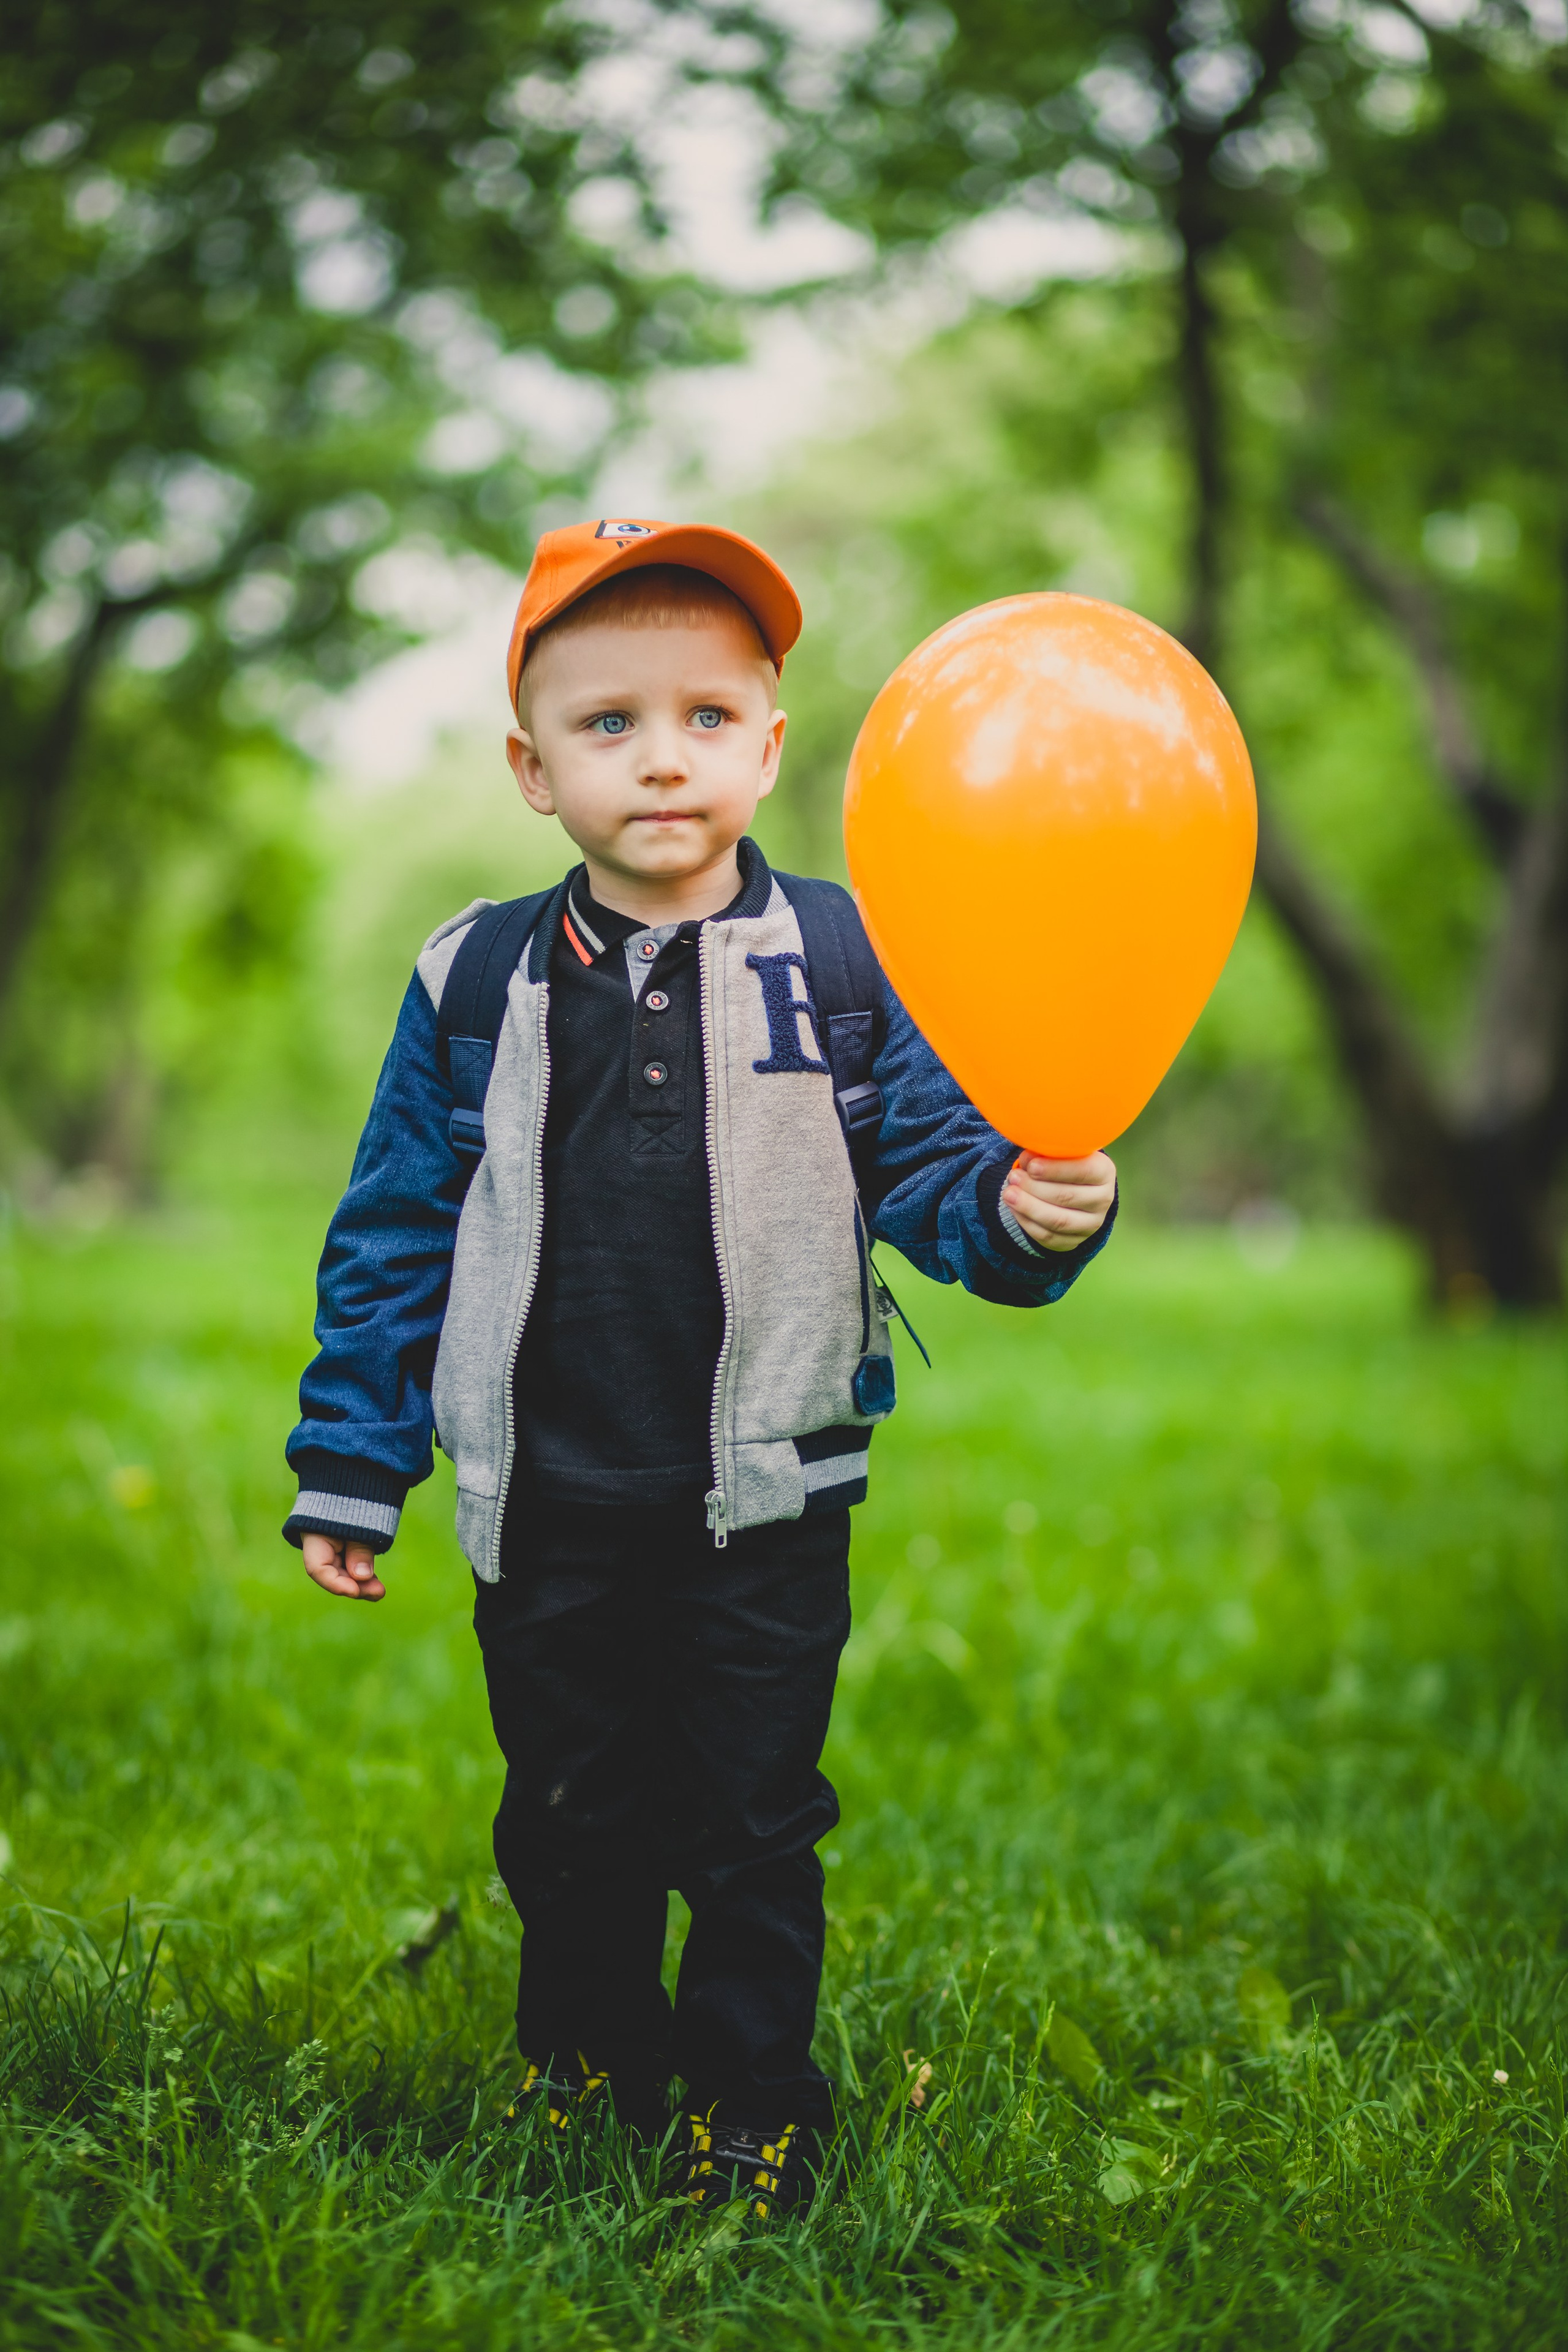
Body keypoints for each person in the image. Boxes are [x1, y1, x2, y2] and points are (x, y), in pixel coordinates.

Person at [283, 517, 1117, 2217]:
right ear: (532, 767)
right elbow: (395, 1231)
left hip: (768, 1500)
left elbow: (938, 1181)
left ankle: (756, 2099)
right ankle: (586, 2059)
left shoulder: (844, 962)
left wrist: (1027, 1213)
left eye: (707, 718)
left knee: (751, 1817)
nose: (664, 757)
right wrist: (355, 1457)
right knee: (572, 1813)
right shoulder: (478, 976)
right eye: (609, 725)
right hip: (553, 1499)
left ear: (771, 742)